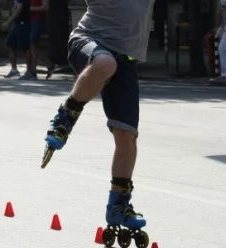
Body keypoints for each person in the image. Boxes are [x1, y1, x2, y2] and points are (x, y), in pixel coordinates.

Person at [40, 0, 155, 230]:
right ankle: (65, 118)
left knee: (127, 137)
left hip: (126, 59)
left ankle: (118, 206)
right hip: (89, 41)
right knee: (105, 63)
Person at [1, 0, 31, 79]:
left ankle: (29, 71)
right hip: (16, 23)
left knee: (26, 48)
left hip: (24, 23)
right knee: (9, 45)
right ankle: (14, 70)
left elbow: (19, 9)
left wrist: (8, 22)